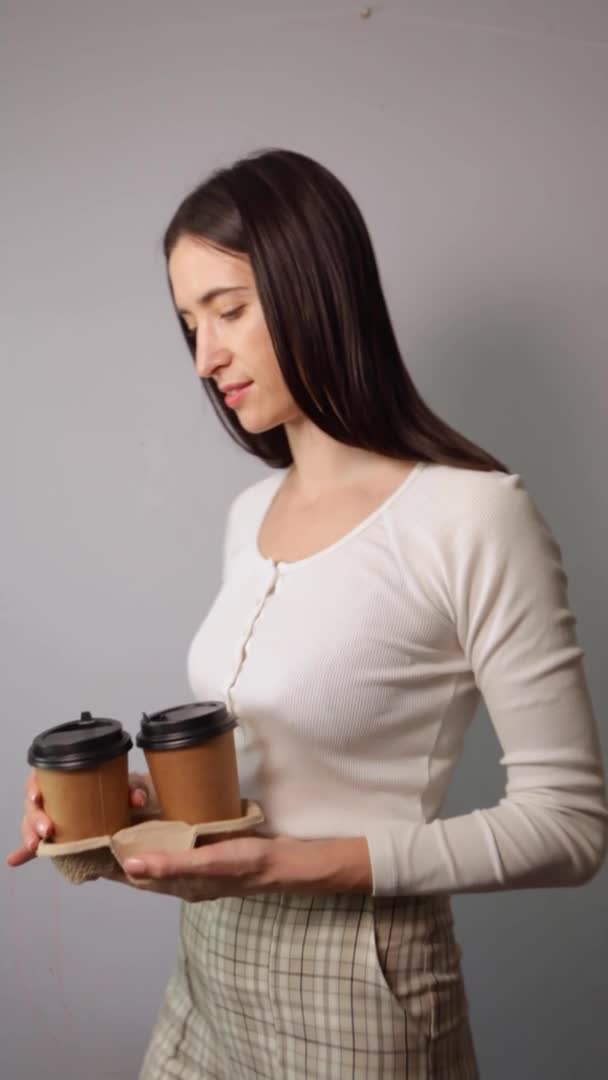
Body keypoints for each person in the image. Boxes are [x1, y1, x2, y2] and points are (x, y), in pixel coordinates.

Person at [8, 148, 608, 1079]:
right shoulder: (249, 517)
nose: (205, 358)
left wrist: (280, 868)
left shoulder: (474, 517)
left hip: (360, 987)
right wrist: (120, 820)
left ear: (316, 287)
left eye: (229, 311)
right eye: (187, 325)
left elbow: (570, 828)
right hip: (211, 969)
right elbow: (264, 786)